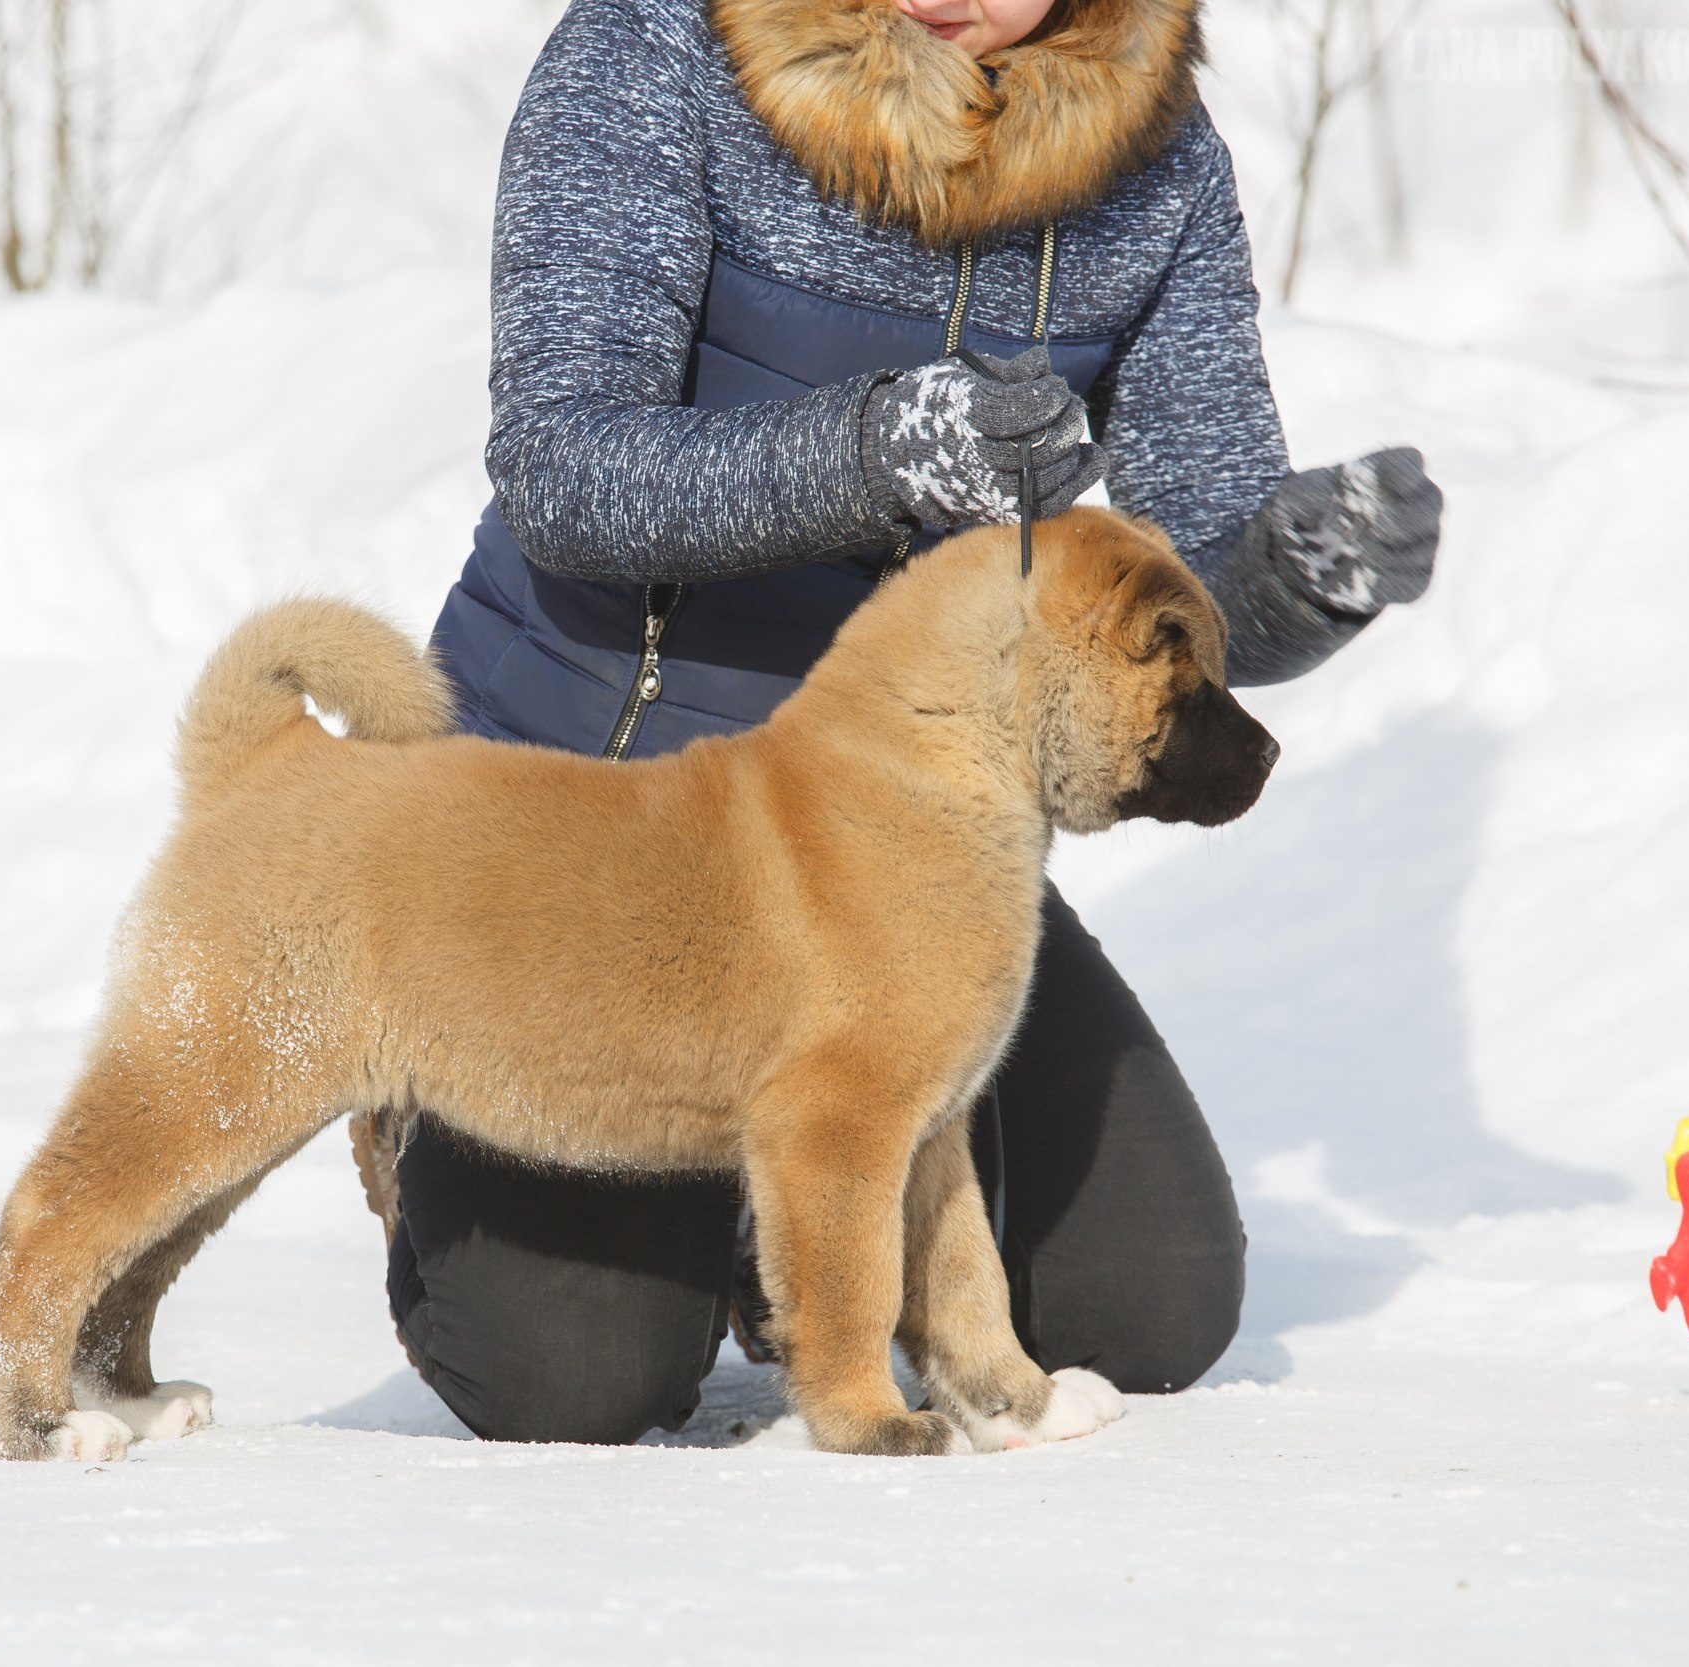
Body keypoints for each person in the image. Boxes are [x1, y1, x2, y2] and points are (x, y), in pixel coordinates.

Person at [354, 0, 1444, 1445]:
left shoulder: (1158, 160)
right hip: (586, 823)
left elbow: (1185, 583)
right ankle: (444, 1107)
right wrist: (875, 448)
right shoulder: (653, 53)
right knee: (575, 1377)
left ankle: (799, 1210)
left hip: (901, 861)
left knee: (1149, 1304)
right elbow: (566, 465)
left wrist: (1302, 575)